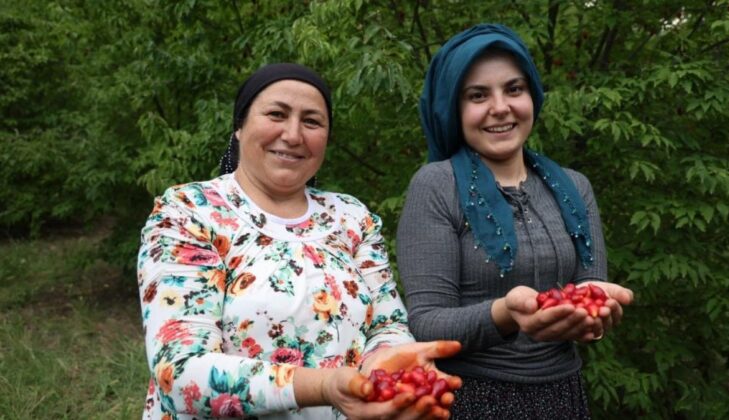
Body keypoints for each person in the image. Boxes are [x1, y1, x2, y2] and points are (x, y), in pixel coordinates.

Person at [137, 63, 462, 420]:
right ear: (239, 126)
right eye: (276, 114)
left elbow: (388, 325)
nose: (293, 135)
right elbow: (179, 371)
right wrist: (323, 386)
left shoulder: (352, 218)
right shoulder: (189, 212)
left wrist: (388, 370)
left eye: (312, 121)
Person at [396, 24, 634, 419]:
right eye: (477, 95)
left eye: (513, 89)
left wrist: (592, 315)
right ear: (453, 109)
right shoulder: (436, 186)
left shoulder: (574, 187)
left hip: (562, 396)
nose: (500, 107)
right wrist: (506, 313)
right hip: (470, 399)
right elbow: (426, 323)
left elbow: (589, 289)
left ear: (532, 96)